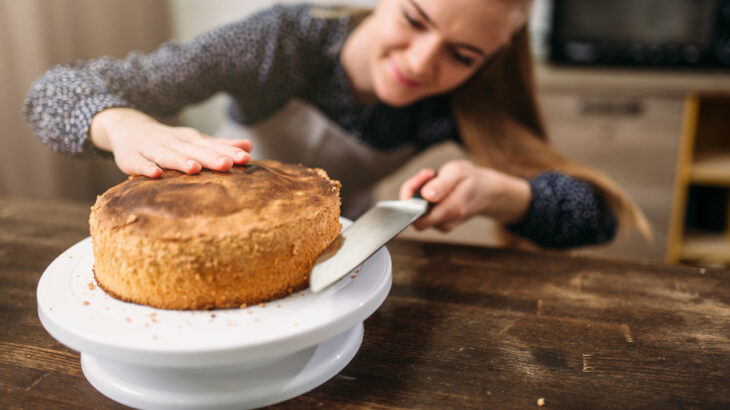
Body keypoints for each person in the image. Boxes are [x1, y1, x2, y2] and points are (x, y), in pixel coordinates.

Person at [23, 0, 650, 249]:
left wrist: (502, 193)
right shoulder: (278, 43)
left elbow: (598, 216)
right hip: (218, 237)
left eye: (461, 56)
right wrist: (121, 122)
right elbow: (52, 91)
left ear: (486, 62)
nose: (419, 64)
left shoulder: (463, 99)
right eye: (414, 19)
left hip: (340, 250)